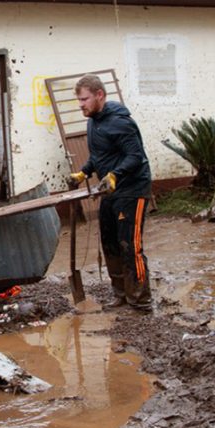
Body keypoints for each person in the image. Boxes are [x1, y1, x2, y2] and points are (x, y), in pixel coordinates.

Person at [68, 74, 153, 312]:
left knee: (130, 245)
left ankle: (140, 300)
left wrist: (115, 174)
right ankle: (121, 295)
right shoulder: (93, 121)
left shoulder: (121, 122)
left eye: (84, 99)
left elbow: (135, 157)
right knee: (110, 243)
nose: (80, 105)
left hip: (133, 190)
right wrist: (83, 173)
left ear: (99, 95)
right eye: (79, 100)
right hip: (110, 191)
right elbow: (99, 155)